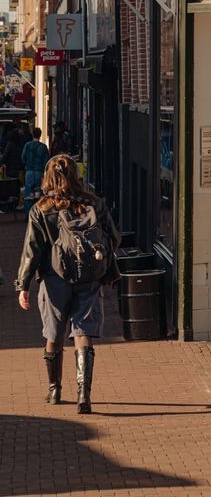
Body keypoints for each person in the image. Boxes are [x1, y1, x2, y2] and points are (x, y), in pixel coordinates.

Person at [15, 154, 120, 413]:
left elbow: (32, 249)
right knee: (83, 332)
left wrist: (23, 285)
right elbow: (114, 238)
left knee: (54, 333)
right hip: (88, 278)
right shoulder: (94, 203)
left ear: (48, 177)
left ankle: (55, 390)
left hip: (53, 280)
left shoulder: (41, 208)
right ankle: (84, 393)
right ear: (76, 175)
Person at [21, 128, 50, 214]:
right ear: (40, 135)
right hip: (39, 171)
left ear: (32, 134)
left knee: (28, 193)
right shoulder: (43, 147)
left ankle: (28, 213)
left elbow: (23, 158)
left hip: (29, 171)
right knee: (39, 193)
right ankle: (38, 213)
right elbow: (46, 161)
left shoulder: (27, 145)